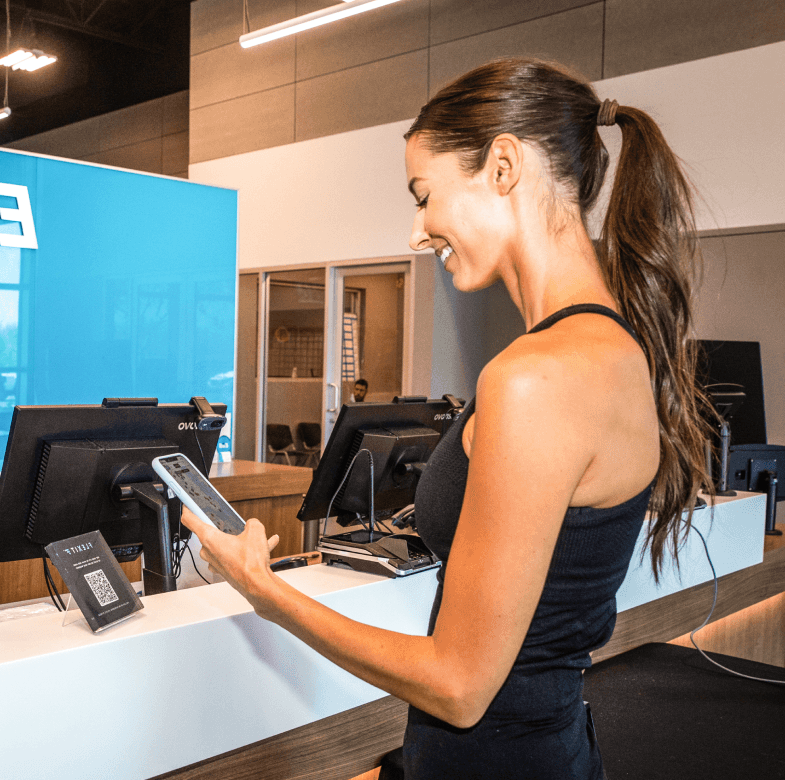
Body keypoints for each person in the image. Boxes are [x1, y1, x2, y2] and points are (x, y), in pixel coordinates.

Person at [182, 58, 712, 780]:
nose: (416, 232)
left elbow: (460, 689)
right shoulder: (615, 351)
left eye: (424, 196)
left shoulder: (536, 379)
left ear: (502, 165)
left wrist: (264, 590)